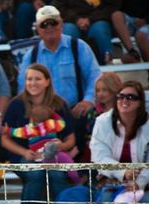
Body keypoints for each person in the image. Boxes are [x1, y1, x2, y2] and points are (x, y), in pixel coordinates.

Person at [1, 63, 75, 204]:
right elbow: (4, 138)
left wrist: (61, 146)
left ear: (47, 81)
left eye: (37, 79)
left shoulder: (59, 104)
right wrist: (24, 152)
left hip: (54, 158)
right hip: (25, 157)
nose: (32, 83)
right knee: (35, 175)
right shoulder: (16, 105)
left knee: (57, 175)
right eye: (29, 79)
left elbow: (71, 139)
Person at [18, 5, 101, 158]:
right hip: (44, 115)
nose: (49, 27)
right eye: (44, 24)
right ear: (38, 29)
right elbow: (22, 88)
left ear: (61, 24)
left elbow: (95, 76)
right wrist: (36, 111)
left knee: (88, 126)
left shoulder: (79, 47)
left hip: (76, 111)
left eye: (53, 23)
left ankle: (83, 173)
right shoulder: (31, 55)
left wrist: (88, 100)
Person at [110, 0, 149, 90]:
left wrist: (146, 20)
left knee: (141, 35)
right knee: (116, 15)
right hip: (131, 19)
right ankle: (132, 52)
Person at [53, 0, 116, 64]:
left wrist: (90, 19)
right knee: (69, 31)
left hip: (97, 19)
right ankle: (68, 63)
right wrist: (76, 19)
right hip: (71, 20)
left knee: (101, 29)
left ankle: (108, 60)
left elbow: (111, 6)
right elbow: (59, 7)